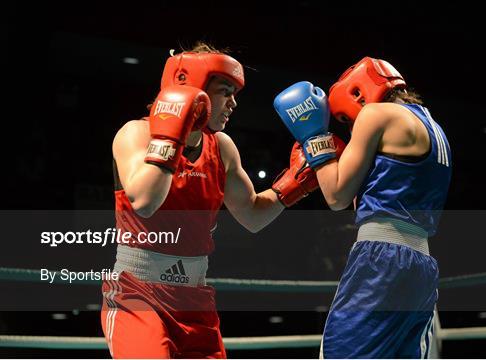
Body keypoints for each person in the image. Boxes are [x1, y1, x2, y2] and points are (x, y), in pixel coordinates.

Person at [101, 42, 320, 358]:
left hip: (194, 298)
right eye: (224, 91)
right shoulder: (135, 134)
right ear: (192, 87)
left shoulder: (222, 147)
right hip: (137, 293)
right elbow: (145, 200)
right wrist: (171, 136)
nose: (232, 103)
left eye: (235, 94)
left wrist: (294, 185)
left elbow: (252, 215)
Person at [273, 57, 452, 358]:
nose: (352, 126)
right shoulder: (434, 127)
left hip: (381, 258)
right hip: (421, 263)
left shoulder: (375, 114)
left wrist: (314, 138)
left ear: (359, 94)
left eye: (345, 119)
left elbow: (336, 196)